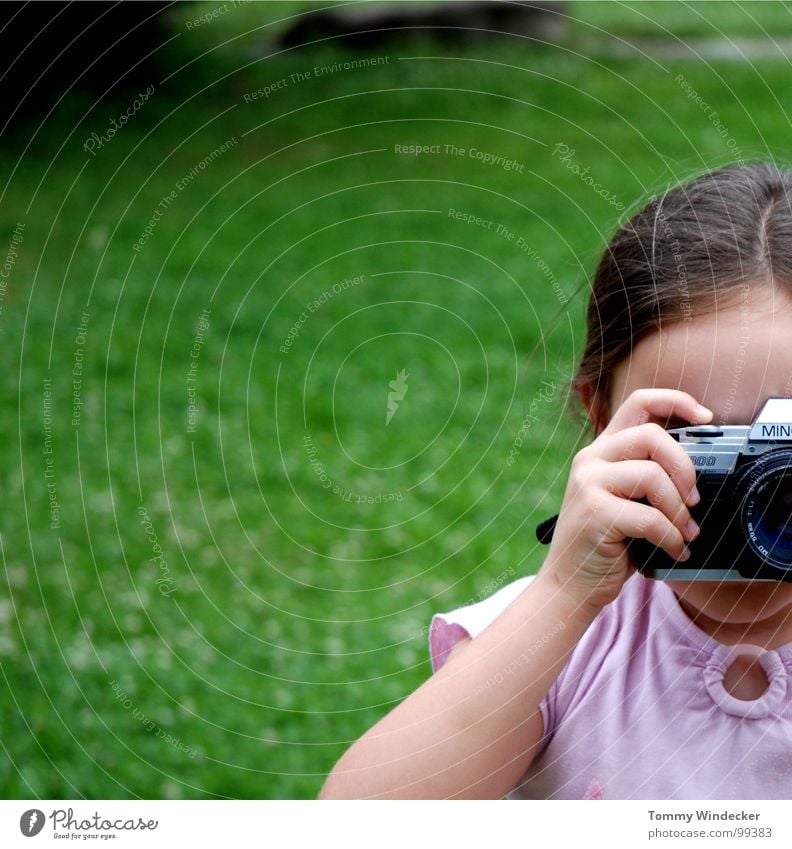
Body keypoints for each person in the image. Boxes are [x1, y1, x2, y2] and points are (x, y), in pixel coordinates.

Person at [319, 161, 792, 800]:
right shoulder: (564, 642)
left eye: (781, 457)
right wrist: (563, 595)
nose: (748, 500)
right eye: (697, 444)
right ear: (603, 420)